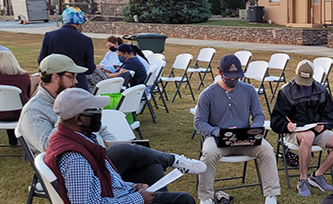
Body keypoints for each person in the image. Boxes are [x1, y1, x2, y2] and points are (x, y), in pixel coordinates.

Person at [45, 88, 211, 204]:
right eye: (95, 111)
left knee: (185, 200)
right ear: (79, 119)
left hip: (116, 202)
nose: (99, 114)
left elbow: (104, 179)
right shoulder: (74, 157)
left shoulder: (80, 138)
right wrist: (138, 198)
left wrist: (131, 186)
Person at [17, 54, 205, 187]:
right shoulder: (34, 111)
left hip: (97, 159)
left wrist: (110, 145)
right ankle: (174, 159)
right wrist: (64, 113)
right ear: (56, 77)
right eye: (71, 76)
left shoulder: (71, 97)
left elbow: (101, 130)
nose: (76, 81)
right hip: (75, 172)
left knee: (151, 167)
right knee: (125, 151)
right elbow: (50, 149)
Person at [194, 55, 281, 204]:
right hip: (218, 138)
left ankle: (271, 194)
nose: (233, 79)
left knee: (267, 150)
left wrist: (253, 129)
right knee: (208, 154)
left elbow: (259, 115)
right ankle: (206, 197)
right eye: (229, 76)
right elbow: (199, 123)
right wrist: (217, 132)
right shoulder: (207, 94)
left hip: (244, 137)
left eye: (237, 76)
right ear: (220, 72)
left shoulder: (248, 90)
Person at [271, 60, 333, 197]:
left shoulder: (322, 91)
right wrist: (286, 126)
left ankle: (317, 175)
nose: (302, 84)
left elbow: (329, 116)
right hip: (295, 132)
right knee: (308, 136)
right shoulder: (286, 91)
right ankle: (303, 179)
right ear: (296, 73)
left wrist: (323, 125)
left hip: (317, 130)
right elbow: (276, 119)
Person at [38, 7, 95, 91]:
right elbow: (90, 68)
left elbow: (41, 60)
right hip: (77, 83)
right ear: (79, 23)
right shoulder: (85, 40)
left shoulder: (49, 36)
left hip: (54, 84)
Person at [0, 50, 31, 146]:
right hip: (20, 114)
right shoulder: (24, 76)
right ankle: (14, 141)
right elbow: (27, 93)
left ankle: (12, 142)